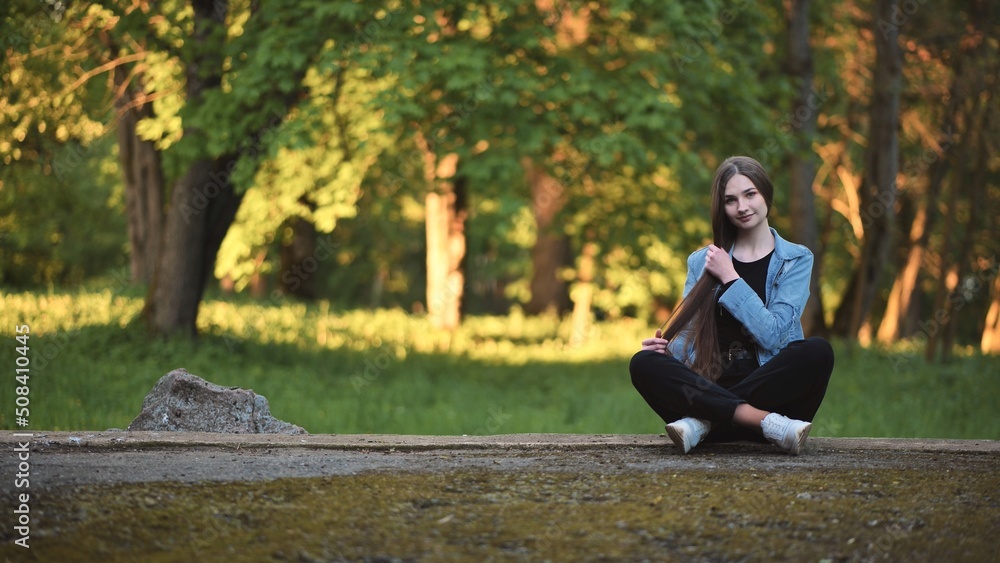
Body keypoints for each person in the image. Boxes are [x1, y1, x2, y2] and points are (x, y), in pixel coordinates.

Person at [629, 156, 834, 455]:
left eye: (750, 194)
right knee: (642, 363)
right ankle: (757, 420)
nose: (742, 207)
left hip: (774, 399)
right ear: (721, 207)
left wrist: (731, 278)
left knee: (817, 351)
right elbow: (688, 340)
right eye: (730, 200)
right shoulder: (702, 261)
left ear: (766, 194)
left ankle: (704, 423)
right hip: (764, 418)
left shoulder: (796, 259)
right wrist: (665, 352)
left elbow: (773, 334)